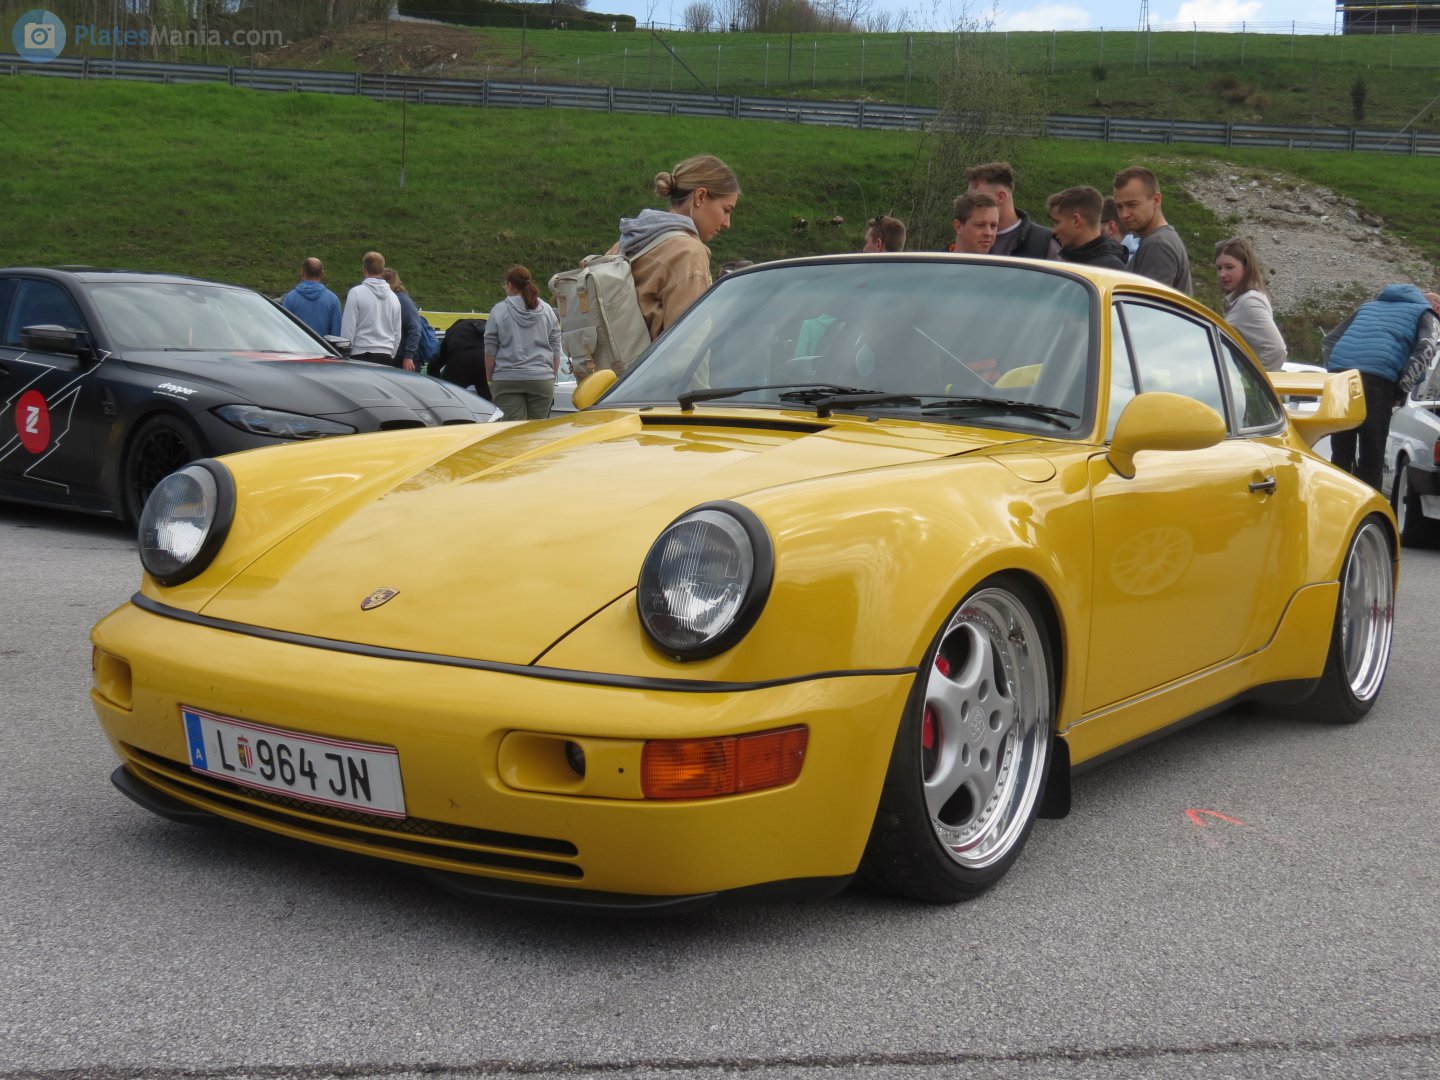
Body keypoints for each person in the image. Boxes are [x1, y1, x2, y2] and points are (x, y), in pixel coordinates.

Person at [1323, 284, 1440, 489]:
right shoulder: (1427, 313)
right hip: (1376, 380)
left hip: (1340, 379)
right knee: (1372, 456)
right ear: (1437, 306)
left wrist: (1334, 370)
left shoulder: (1368, 307)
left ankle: (1335, 502)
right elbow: (1427, 347)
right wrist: (1402, 389)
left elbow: (1329, 340)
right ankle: (1368, 507)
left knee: (1341, 453)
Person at [614, 154, 740, 341]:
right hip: (654, 361)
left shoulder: (629, 241)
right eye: (726, 210)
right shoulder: (689, 253)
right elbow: (688, 343)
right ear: (700, 196)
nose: (727, 223)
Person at [485, 265, 563, 420]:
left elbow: (490, 347)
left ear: (509, 285)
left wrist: (490, 376)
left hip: (506, 378)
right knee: (537, 430)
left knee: (513, 430)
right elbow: (555, 345)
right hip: (542, 378)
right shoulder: (547, 310)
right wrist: (551, 374)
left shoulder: (499, 310)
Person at [1112, 166, 1192, 295]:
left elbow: (1149, 305)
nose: (1124, 214)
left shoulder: (1158, 245)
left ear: (1156, 200)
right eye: (1119, 207)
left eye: (1132, 205)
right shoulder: (1160, 240)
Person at [1214, 237, 1286, 372]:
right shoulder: (1240, 300)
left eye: (1229, 267)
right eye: (1219, 268)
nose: (1222, 274)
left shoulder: (1249, 302)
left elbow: (1276, 350)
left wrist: (1254, 380)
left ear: (1246, 268)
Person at [964, 162, 1054, 259]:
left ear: (1001, 197)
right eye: (969, 198)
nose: (971, 204)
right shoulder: (965, 236)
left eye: (979, 198)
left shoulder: (1046, 241)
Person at [340, 251, 401, 364]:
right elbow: (397, 332)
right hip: (386, 353)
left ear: (364, 269)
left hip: (360, 353)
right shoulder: (394, 298)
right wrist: (392, 353)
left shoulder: (356, 293)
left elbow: (348, 328)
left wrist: (344, 353)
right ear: (382, 270)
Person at [1046, 186, 1128, 270]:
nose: (1054, 231)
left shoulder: (1106, 269)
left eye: (1057, 222)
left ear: (1076, 221)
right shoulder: (1070, 256)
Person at [281, 257, 342, 337]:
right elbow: (336, 333)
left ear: (302, 272)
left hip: (296, 344)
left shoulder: (290, 298)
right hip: (322, 345)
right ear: (322, 274)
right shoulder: (333, 300)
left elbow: (284, 329)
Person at [430, 318, 490, 399]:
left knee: (449, 397)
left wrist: (437, 386)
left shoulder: (453, 331)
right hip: (483, 362)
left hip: (459, 363)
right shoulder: (488, 327)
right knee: (488, 400)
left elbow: (436, 361)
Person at [379, 268, 421, 372]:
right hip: (395, 357)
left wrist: (408, 356)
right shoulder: (391, 299)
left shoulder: (402, 300)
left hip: (405, 360)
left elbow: (415, 329)